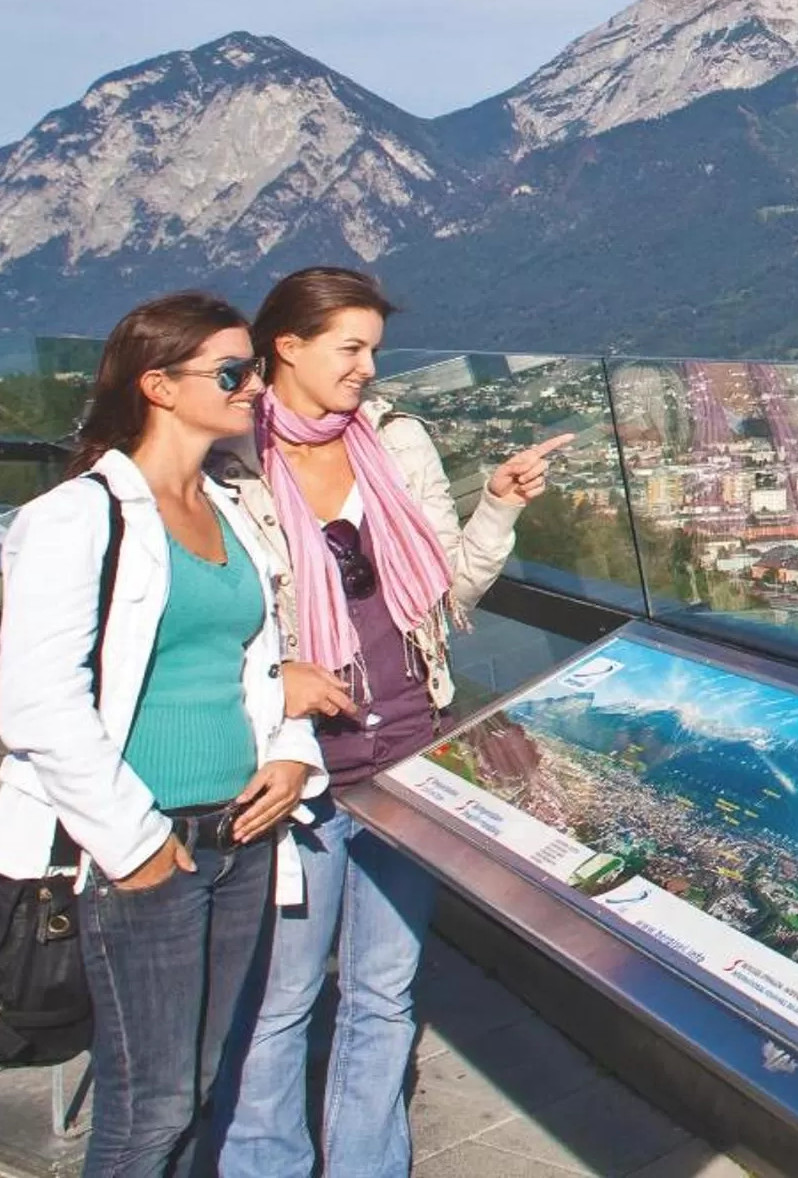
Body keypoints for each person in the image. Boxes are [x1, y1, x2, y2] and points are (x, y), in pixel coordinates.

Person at [213, 266, 570, 1178]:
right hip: (301, 768)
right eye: (351, 348)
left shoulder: (395, 443)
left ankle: (369, 1165)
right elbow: (210, 618)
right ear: (285, 347)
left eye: (374, 348)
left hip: (410, 748)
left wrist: (498, 505)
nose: (369, 367)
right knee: (283, 995)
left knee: (385, 988)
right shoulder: (230, 461)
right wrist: (272, 675)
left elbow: (448, 587)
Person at [0, 292, 324, 1178]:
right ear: (158, 386)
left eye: (254, 371)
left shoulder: (233, 509)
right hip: (144, 844)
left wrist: (289, 751)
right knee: (148, 1105)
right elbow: (41, 704)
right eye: (232, 372)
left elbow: (265, 661)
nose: (253, 389)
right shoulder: (78, 517)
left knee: (203, 1080)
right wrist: (138, 846)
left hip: (240, 835)